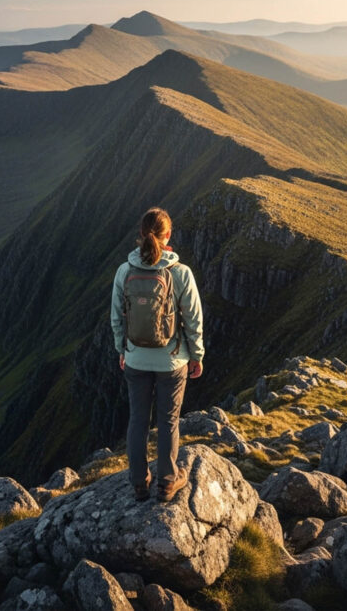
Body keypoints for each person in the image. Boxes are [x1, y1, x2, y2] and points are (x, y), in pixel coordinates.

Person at [110, 207, 204, 502]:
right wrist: (197, 355)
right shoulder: (181, 273)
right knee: (168, 421)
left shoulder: (125, 271)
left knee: (138, 420)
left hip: (135, 359)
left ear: (141, 234)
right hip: (172, 361)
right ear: (168, 236)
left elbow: (117, 317)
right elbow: (193, 319)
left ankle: (139, 483)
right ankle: (166, 482)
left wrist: (121, 349)